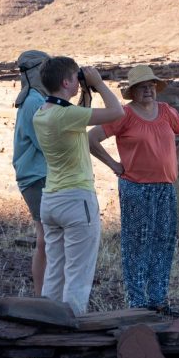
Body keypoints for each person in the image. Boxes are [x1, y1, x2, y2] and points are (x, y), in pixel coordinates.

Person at [88, 65, 179, 314]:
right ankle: (137, 303)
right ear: (133, 91)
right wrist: (114, 165)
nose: (149, 90)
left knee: (163, 243)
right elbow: (91, 139)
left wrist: (176, 157)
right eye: (142, 87)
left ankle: (158, 299)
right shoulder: (124, 115)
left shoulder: (166, 111)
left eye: (151, 86)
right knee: (137, 244)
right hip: (136, 187)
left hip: (165, 188)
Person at [33, 57, 123, 314]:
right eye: (75, 77)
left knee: (55, 271)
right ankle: (72, 326)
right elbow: (117, 112)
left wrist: (84, 90)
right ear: (65, 82)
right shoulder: (67, 115)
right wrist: (99, 84)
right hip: (76, 200)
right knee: (77, 274)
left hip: (51, 200)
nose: (77, 81)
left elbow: (76, 114)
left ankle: (48, 322)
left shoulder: (42, 113)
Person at [12, 49, 50, 296]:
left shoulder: (34, 98)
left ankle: (44, 294)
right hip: (37, 176)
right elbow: (46, 143)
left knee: (47, 238)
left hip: (36, 174)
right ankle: (41, 294)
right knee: (45, 238)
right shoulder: (35, 101)